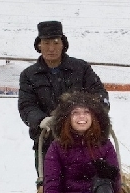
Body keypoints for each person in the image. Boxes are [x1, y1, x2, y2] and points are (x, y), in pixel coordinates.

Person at [18, 20, 109, 177]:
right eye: (46, 43)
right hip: (48, 140)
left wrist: (89, 115)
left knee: (92, 185)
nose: (51, 48)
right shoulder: (29, 75)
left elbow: (100, 96)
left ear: (63, 44)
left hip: (85, 139)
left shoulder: (81, 68)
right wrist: (41, 120)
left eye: (55, 42)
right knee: (50, 188)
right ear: (39, 45)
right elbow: (26, 106)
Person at [43, 91, 126, 193]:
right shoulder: (57, 148)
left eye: (86, 112)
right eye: (76, 113)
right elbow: (51, 186)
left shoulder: (105, 145)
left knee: (102, 181)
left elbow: (116, 188)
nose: (81, 117)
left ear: (94, 116)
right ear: (67, 118)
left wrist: (111, 174)